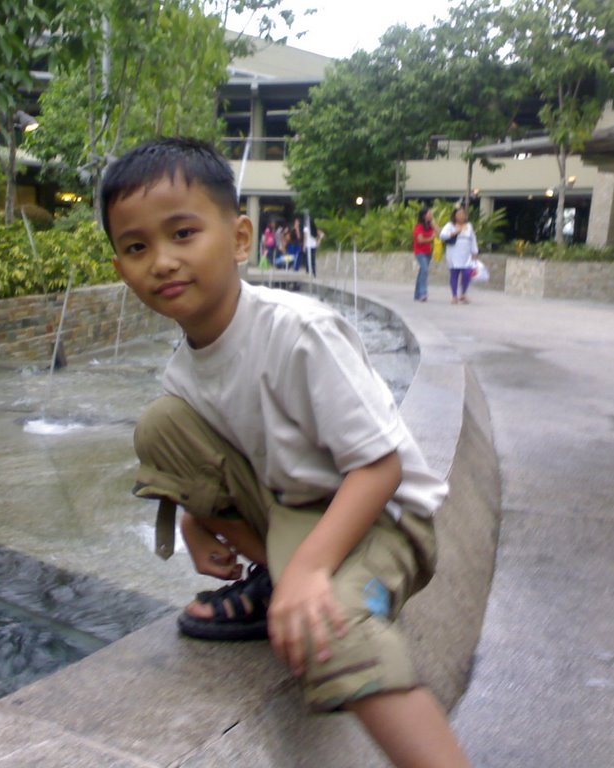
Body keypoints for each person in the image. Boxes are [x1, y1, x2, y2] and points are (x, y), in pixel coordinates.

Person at [100, 137, 470, 768]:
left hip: (384, 518)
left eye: (183, 233)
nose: (161, 261)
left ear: (241, 238)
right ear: (120, 267)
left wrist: (309, 570)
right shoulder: (184, 371)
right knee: (162, 425)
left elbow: (378, 468)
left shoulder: (299, 333)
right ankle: (281, 579)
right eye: (136, 247)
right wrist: (196, 516)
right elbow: (221, 451)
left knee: (334, 626)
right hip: (297, 510)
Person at [438, 207, 478, 304]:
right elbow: (442, 235)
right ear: (455, 216)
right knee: (454, 274)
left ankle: (463, 293)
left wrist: (475, 252)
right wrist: (455, 232)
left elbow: (472, 239)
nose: (461, 216)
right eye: (459, 214)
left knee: (467, 273)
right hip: (454, 253)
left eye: (463, 214)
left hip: (466, 254)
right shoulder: (450, 225)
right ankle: (454, 295)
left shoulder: (469, 226)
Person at [412, 206, 436, 302]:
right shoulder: (418, 227)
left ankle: (417, 294)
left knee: (422, 271)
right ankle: (423, 293)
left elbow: (440, 233)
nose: (430, 215)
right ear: (423, 216)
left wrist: (434, 224)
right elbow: (420, 240)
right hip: (420, 252)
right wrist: (431, 238)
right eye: (429, 214)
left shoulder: (430, 226)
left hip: (428, 252)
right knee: (425, 270)